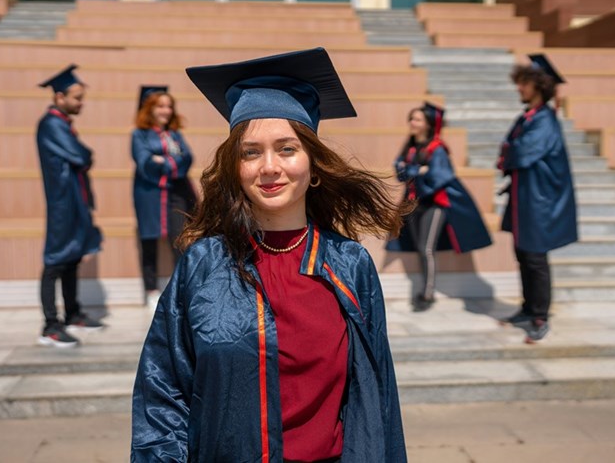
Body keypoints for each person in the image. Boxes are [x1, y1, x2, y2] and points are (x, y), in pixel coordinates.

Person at [131, 48, 408, 462]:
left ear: (313, 167)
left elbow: (378, 399)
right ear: (236, 169)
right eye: (250, 152)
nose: (269, 166)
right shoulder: (203, 264)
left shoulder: (350, 265)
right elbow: (164, 393)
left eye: (286, 149)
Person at [498, 54, 578, 343]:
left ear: (540, 86)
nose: (519, 88)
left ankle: (540, 316)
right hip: (525, 196)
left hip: (539, 199)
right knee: (523, 254)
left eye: (524, 83)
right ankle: (528, 307)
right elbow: (510, 148)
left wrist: (509, 151)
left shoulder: (544, 119)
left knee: (535, 257)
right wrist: (509, 150)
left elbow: (519, 152)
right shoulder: (528, 117)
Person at [386, 102, 492, 312]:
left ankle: (428, 293)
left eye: (417, 119)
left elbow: (439, 177)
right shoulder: (411, 147)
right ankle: (425, 289)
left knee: (426, 248)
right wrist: (418, 170)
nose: (412, 123)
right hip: (414, 203)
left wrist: (412, 171)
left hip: (434, 204)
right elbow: (399, 172)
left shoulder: (437, 148)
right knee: (419, 248)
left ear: (427, 124)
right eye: (411, 118)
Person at [36, 64, 104, 348]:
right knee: (55, 261)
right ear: (59, 97)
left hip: (75, 200)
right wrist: (86, 154)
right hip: (62, 203)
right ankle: (51, 325)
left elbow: (83, 157)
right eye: (76, 97)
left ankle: (73, 312)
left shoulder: (62, 124)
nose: (80, 103)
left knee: (73, 257)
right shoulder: (51, 124)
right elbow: (81, 155)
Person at [131, 85, 197, 308]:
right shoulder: (139, 135)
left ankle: (180, 290)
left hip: (177, 193)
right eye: (161, 106)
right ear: (149, 108)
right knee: (149, 240)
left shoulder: (175, 134)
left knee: (179, 240)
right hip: (150, 193)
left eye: (169, 106)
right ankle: (150, 290)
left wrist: (163, 161)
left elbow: (187, 159)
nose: (166, 111)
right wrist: (172, 161)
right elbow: (145, 163)